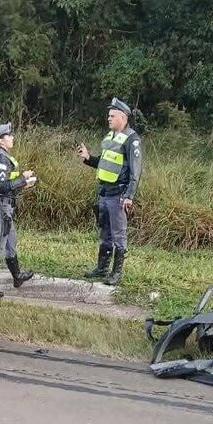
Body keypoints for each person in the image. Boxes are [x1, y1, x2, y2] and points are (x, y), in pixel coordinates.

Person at [77, 97, 142, 286]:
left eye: (112, 116)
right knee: (104, 232)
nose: (109, 118)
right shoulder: (110, 137)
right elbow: (105, 164)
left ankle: (116, 273)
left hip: (118, 195)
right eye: (109, 115)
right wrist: (88, 158)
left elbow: (135, 171)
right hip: (104, 193)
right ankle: (102, 268)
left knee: (119, 235)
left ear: (123, 117)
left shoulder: (132, 140)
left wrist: (129, 196)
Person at [0, 122, 37, 298]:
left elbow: (7, 185)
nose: (12, 138)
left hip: (6, 206)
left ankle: (17, 276)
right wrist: (23, 180)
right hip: (1, 206)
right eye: (9, 136)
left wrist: (23, 183)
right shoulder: (1, 158)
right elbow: (2, 185)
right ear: (1, 141)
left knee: (11, 241)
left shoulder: (1, 155)